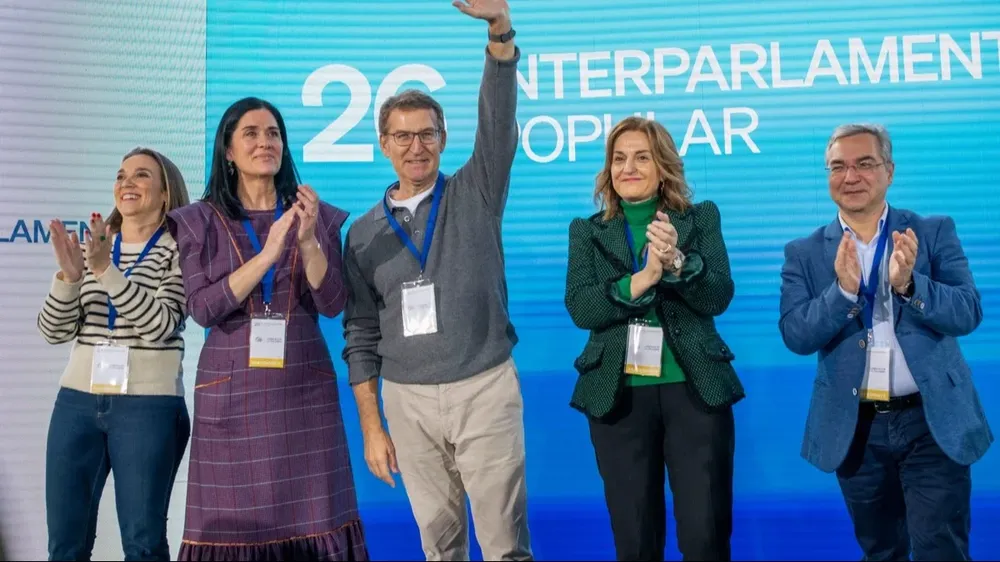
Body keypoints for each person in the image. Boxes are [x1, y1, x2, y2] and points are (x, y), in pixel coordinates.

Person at [340, 1, 529, 560]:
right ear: (384, 144)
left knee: (503, 544)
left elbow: (497, 120)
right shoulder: (362, 234)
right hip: (407, 401)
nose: (415, 147)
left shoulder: (477, 190)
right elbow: (360, 334)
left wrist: (500, 33)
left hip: (484, 387)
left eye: (426, 134)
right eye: (402, 137)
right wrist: (373, 428)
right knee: (439, 547)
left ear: (443, 139)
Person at [778, 123, 993, 560]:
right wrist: (839, 293)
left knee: (941, 549)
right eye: (838, 167)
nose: (850, 176)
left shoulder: (931, 232)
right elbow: (797, 335)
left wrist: (911, 286)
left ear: (889, 172)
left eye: (864, 164)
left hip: (930, 420)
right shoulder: (804, 252)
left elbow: (968, 311)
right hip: (856, 425)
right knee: (881, 551)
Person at [167, 97, 367, 561]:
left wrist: (308, 239)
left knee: (317, 520)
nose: (265, 142)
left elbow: (333, 303)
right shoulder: (199, 222)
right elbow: (202, 307)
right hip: (231, 399)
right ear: (228, 151)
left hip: (303, 393)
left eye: (273, 133)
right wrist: (267, 254)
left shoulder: (316, 214)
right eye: (252, 134)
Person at [563, 116, 743, 561]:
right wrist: (640, 281)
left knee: (705, 534)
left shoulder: (700, 218)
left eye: (642, 157)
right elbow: (581, 307)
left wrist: (680, 265)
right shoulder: (586, 231)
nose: (629, 167)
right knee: (635, 538)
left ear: (662, 165)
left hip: (695, 392)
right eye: (619, 158)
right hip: (618, 396)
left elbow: (719, 295)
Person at [37, 147, 192, 561]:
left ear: (165, 194)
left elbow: (160, 326)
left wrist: (107, 272)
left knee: (143, 544)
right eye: (121, 175)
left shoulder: (180, 249)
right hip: (77, 402)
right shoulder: (97, 244)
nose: (126, 183)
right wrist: (70, 278)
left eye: (141, 175)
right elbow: (53, 331)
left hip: (149, 405)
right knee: (64, 545)